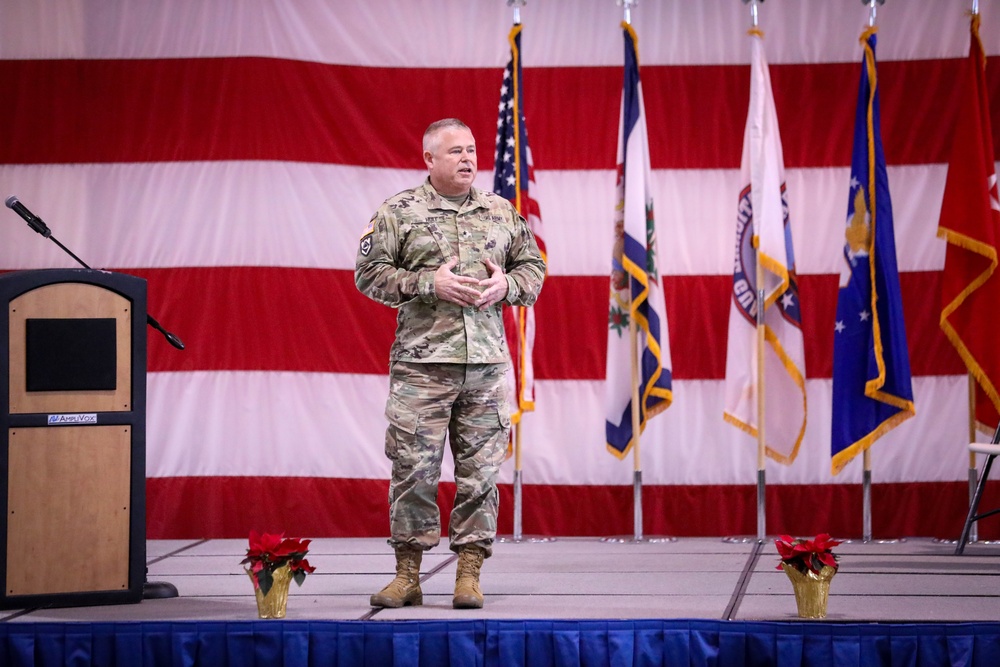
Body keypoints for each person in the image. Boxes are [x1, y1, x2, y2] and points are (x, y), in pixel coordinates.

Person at [355, 118, 545, 609]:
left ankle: (469, 574)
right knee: (413, 470)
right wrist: (427, 284)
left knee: (479, 474)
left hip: (484, 366)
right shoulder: (400, 211)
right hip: (423, 367)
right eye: (455, 151)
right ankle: (407, 575)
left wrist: (509, 286)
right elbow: (368, 274)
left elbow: (534, 268)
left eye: (472, 150)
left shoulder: (501, 212)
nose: (467, 159)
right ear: (429, 160)